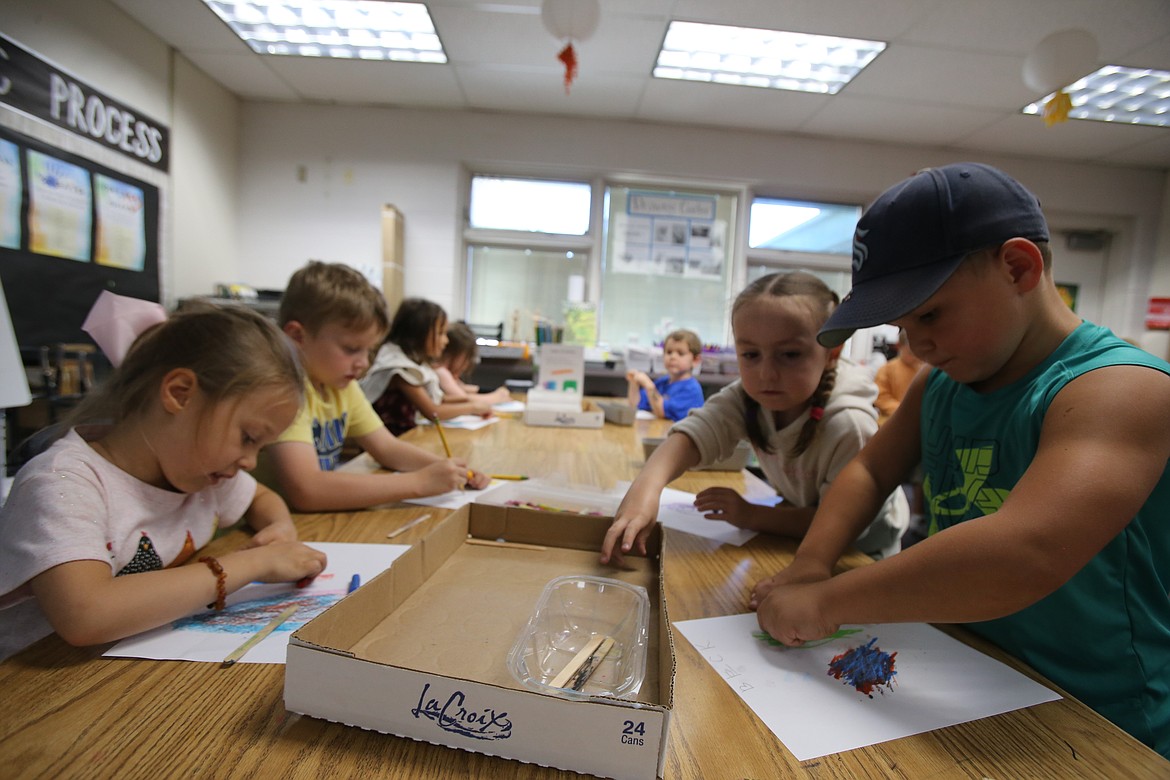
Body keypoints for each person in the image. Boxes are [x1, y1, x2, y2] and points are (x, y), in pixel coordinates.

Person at [749, 163, 1170, 758]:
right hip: (969, 674)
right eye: (901, 326)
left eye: (930, 314)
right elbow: (869, 470)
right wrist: (812, 563)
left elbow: (1026, 553)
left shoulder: (1118, 388)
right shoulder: (940, 384)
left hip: (1101, 717)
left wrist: (826, 601)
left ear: (1019, 268)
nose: (915, 345)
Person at [0, 301, 328, 661]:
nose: (249, 462)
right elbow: (86, 615)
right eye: (248, 437)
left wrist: (278, 527)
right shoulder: (63, 483)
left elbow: (261, 498)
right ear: (180, 394)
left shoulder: (203, 472)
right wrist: (256, 563)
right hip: (38, 687)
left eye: (261, 449)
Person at [601, 272, 909, 566]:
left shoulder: (848, 424)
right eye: (750, 355)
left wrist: (752, 516)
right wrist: (645, 490)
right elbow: (694, 435)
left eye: (789, 354)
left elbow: (838, 523)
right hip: (796, 533)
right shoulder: (749, 396)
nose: (766, 374)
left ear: (832, 351)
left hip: (860, 554)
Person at [255, 262, 489, 512]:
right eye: (351, 349)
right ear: (297, 336)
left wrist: (449, 468)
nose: (363, 363)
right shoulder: (283, 390)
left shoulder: (340, 385)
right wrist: (419, 482)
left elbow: (387, 448)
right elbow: (307, 490)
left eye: (368, 350)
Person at [360, 299, 509, 436]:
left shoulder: (416, 364)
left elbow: (439, 399)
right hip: (392, 442)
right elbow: (433, 411)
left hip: (407, 437)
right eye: (440, 333)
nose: (446, 340)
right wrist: (472, 408)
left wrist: (474, 404)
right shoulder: (400, 369)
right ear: (419, 334)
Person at [625, 328, 706, 422]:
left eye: (680, 353)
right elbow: (635, 404)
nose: (673, 357)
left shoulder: (692, 390)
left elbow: (661, 412)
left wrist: (649, 386)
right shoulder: (663, 382)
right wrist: (634, 383)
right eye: (669, 352)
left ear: (695, 360)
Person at [873, 328, 924, 425]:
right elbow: (881, 397)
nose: (915, 356)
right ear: (899, 346)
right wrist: (904, 411)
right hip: (892, 420)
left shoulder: (923, 370)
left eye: (917, 352)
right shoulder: (887, 369)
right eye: (910, 352)